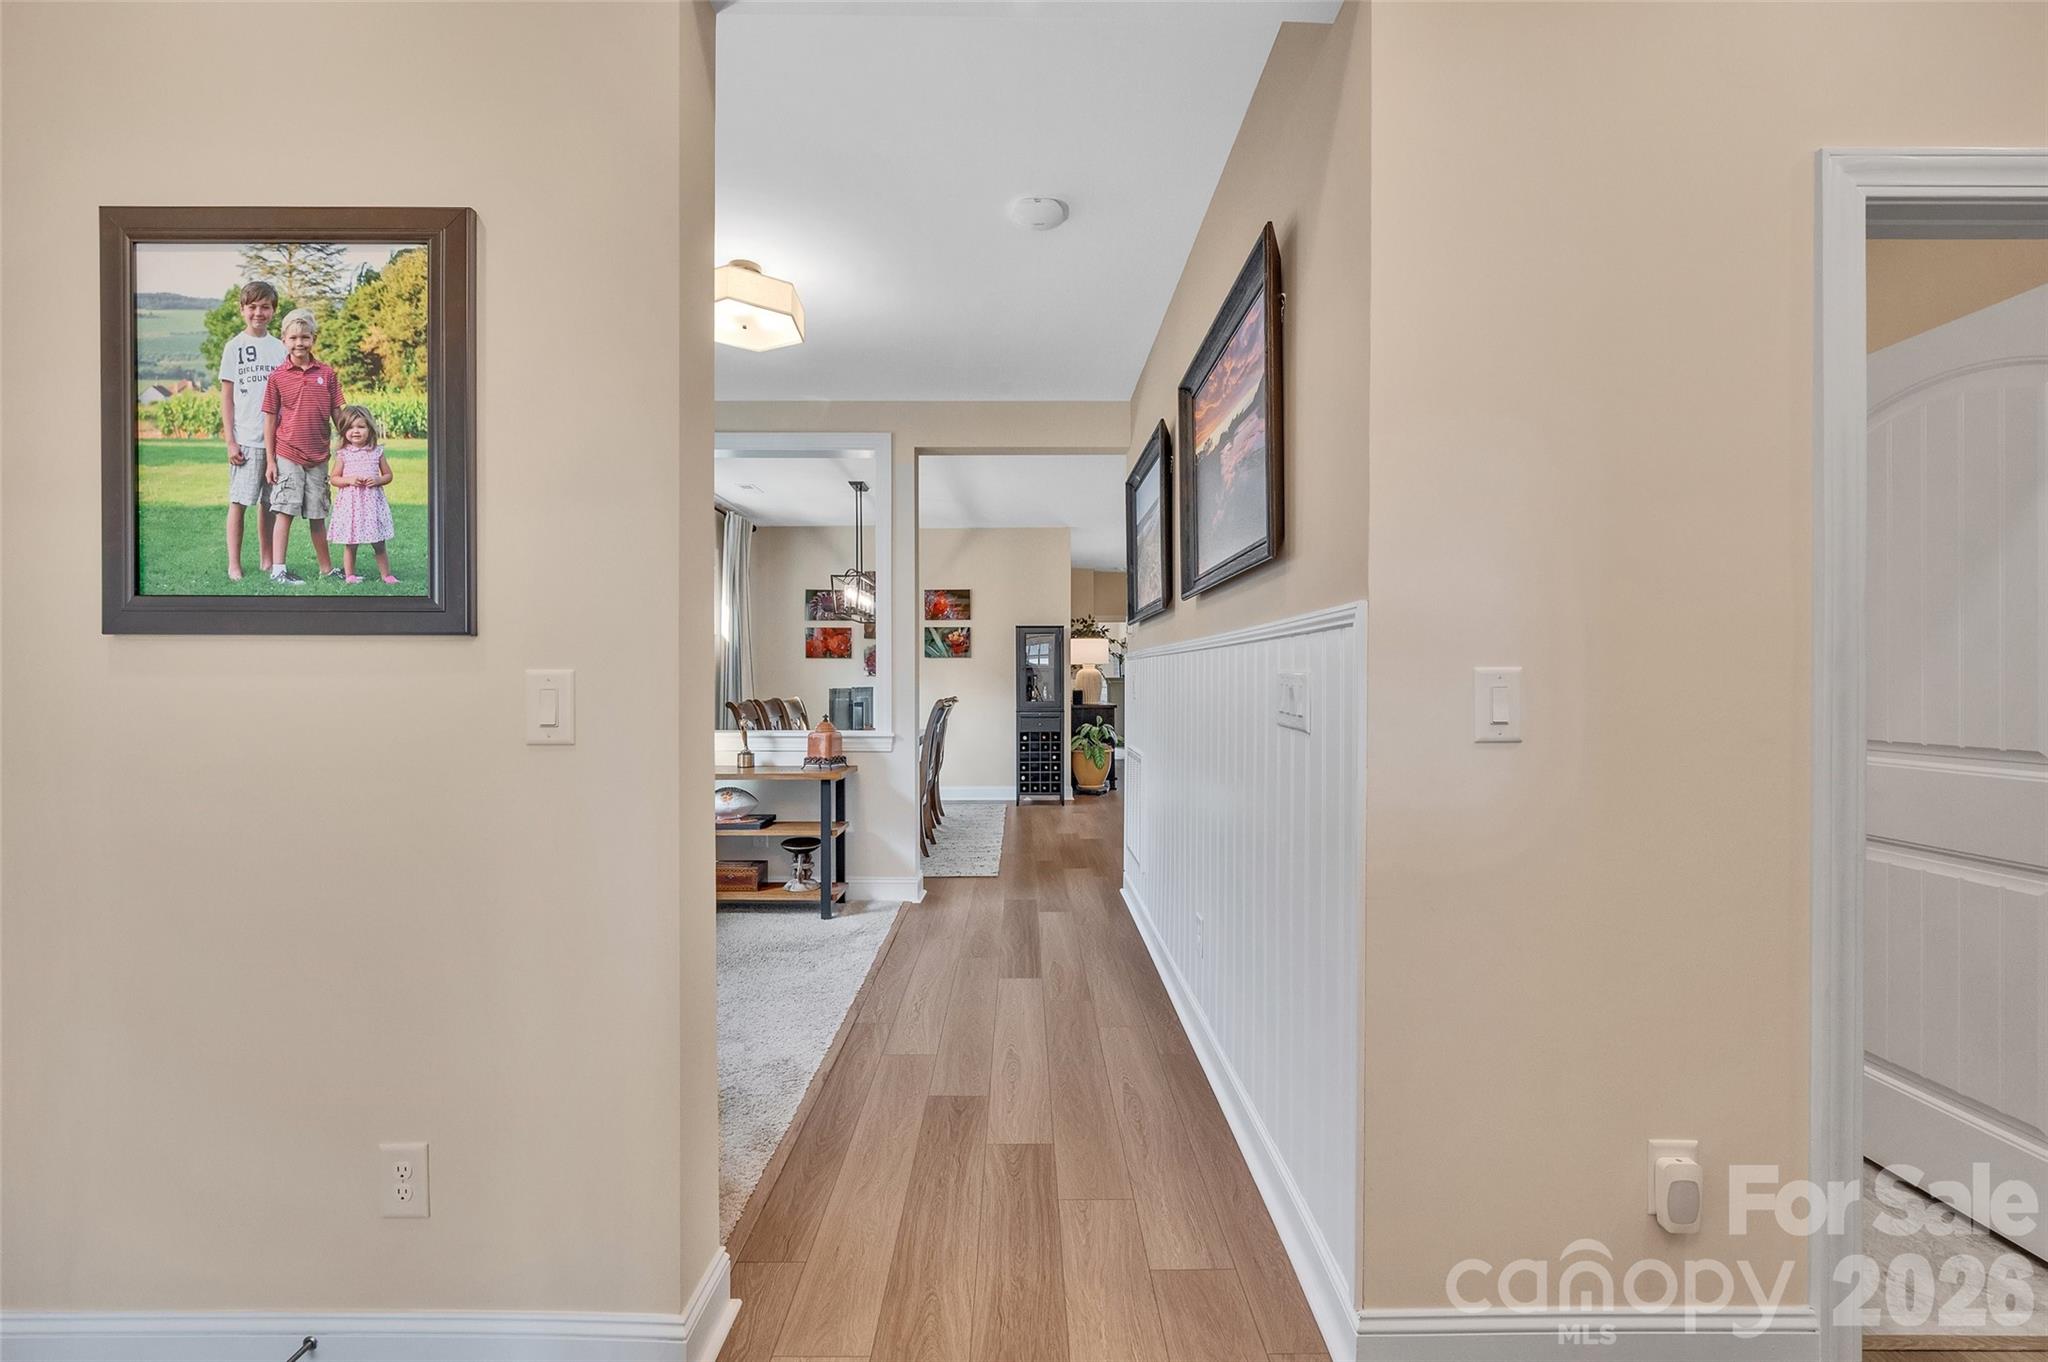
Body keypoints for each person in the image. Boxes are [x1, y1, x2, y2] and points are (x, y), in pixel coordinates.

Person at [261, 309, 344, 584]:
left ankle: (326, 569)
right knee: (285, 511)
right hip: (288, 453)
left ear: (313, 339)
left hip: (318, 456)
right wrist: (271, 460)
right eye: (294, 338)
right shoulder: (277, 377)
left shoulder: (327, 374)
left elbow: (338, 412)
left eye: (305, 337)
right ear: (284, 340)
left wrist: (350, 443)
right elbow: (270, 420)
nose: (300, 343)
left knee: (318, 514)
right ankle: (278, 570)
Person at [217, 281, 284, 580]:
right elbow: (227, 398)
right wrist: (231, 441)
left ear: (273, 311)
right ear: (242, 310)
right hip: (245, 439)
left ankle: (267, 559)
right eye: (252, 307)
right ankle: (234, 563)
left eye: (265, 307)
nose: (259, 313)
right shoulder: (234, 347)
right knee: (240, 502)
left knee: (269, 503)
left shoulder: (280, 348)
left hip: (276, 441)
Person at [326, 405, 397, 584]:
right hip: (352, 505)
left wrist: (378, 480)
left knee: (379, 542)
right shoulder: (343, 454)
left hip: (372, 504)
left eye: (361, 427)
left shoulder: (377, 452)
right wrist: (349, 480)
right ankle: (350, 575)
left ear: (369, 429)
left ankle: (386, 575)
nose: (355, 431)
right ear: (344, 430)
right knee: (351, 543)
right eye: (350, 427)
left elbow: (388, 475)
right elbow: (334, 478)